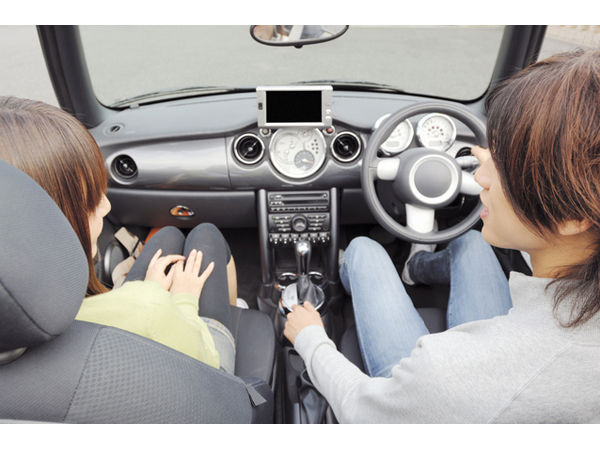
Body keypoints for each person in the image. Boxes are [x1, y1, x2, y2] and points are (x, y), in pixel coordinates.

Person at [284, 49, 600, 423]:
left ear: (574, 216)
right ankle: (416, 266)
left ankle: (390, 264)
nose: (480, 176)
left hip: (435, 398)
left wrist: (311, 338)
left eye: (506, 165)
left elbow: (360, 408)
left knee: (364, 250)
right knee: (470, 242)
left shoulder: (441, 373)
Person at [0, 96, 236, 374]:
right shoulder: (146, 311)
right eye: (90, 200)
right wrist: (183, 298)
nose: (106, 206)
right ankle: (235, 317)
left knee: (168, 235)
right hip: (205, 366)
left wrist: (147, 290)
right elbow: (205, 360)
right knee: (207, 235)